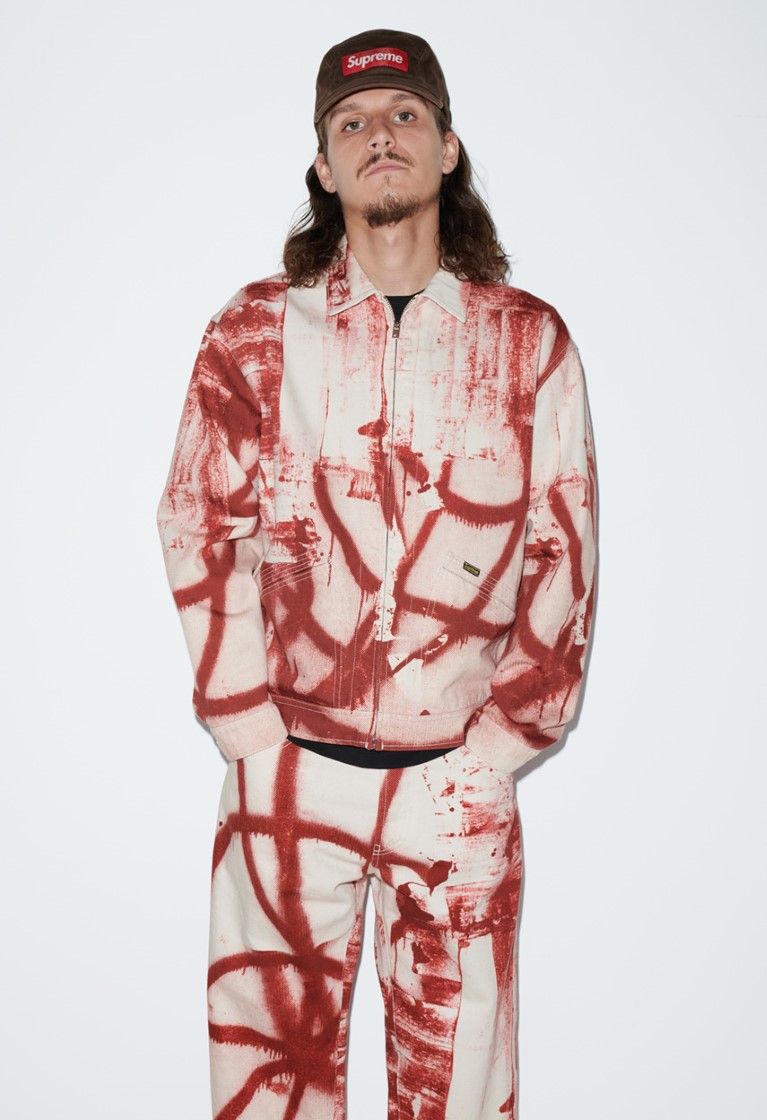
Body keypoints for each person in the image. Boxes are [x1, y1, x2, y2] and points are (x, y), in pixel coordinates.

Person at [156, 26, 598, 1120]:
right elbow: (199, 520)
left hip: (456, 788)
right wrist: (249, 732)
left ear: (448, 147)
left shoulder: (528, 344)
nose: (378, 136)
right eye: (350, 123)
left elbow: (564, 549)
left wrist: (497, 752)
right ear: (323, 165)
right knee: (269, 1095)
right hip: (286, 775)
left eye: (404, 114)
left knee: (460, 1095)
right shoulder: (254, 334)